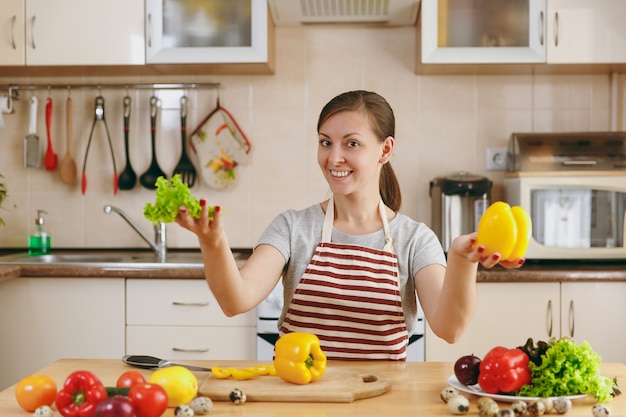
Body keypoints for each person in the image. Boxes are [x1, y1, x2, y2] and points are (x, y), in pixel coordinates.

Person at [175, 90, 524, 361]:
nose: (333, 157)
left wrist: (463, 261)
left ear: (385, 150)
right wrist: (213, 241)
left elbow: (449, 328)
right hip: (298, 401)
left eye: (351, 143)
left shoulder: (414, 239)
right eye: (326, 142)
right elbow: (236, 301)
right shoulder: (293, 227)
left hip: (381, 402)